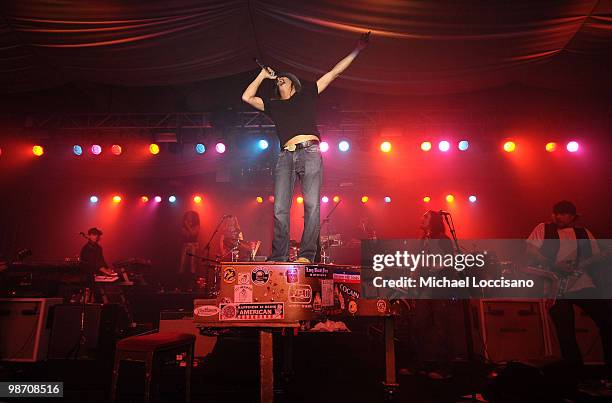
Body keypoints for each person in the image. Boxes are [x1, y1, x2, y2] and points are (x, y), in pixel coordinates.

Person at [242, 32, 370, 263]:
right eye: (277, 77)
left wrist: (356, 50)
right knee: (280, 208)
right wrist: (262, 75)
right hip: (285, 156)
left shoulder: (307, 93)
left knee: (311, 205)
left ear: (293, 82)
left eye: (284, 77)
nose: (279, 78)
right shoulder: (273, 105)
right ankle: (279, 255)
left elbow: (334, 72)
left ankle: (307, 254)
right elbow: (247, 96)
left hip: (310, 151)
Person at [527, 200, 611, 379]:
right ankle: (576, 376)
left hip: (583, 284)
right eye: (555, 212)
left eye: (563, 213)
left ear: (573, 216)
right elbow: (530, 251)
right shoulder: (543, 228)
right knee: (565, 332)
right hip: (555, 286)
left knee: (607, 320)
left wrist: (590, 263)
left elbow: (596, 256)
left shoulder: (583, 233)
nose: (557, 216)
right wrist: (554, 264)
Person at [79, 227, 115, 302]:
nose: (96, 236)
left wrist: (108, 269)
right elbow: (93, 263)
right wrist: (105, 270)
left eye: (97, 235)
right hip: (89, 276)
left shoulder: (98, 247)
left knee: (101, 295)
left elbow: (101, 260)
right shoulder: (86, 248)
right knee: (96, 296)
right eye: (94, 234)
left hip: (97, 275)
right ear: (89, 236)